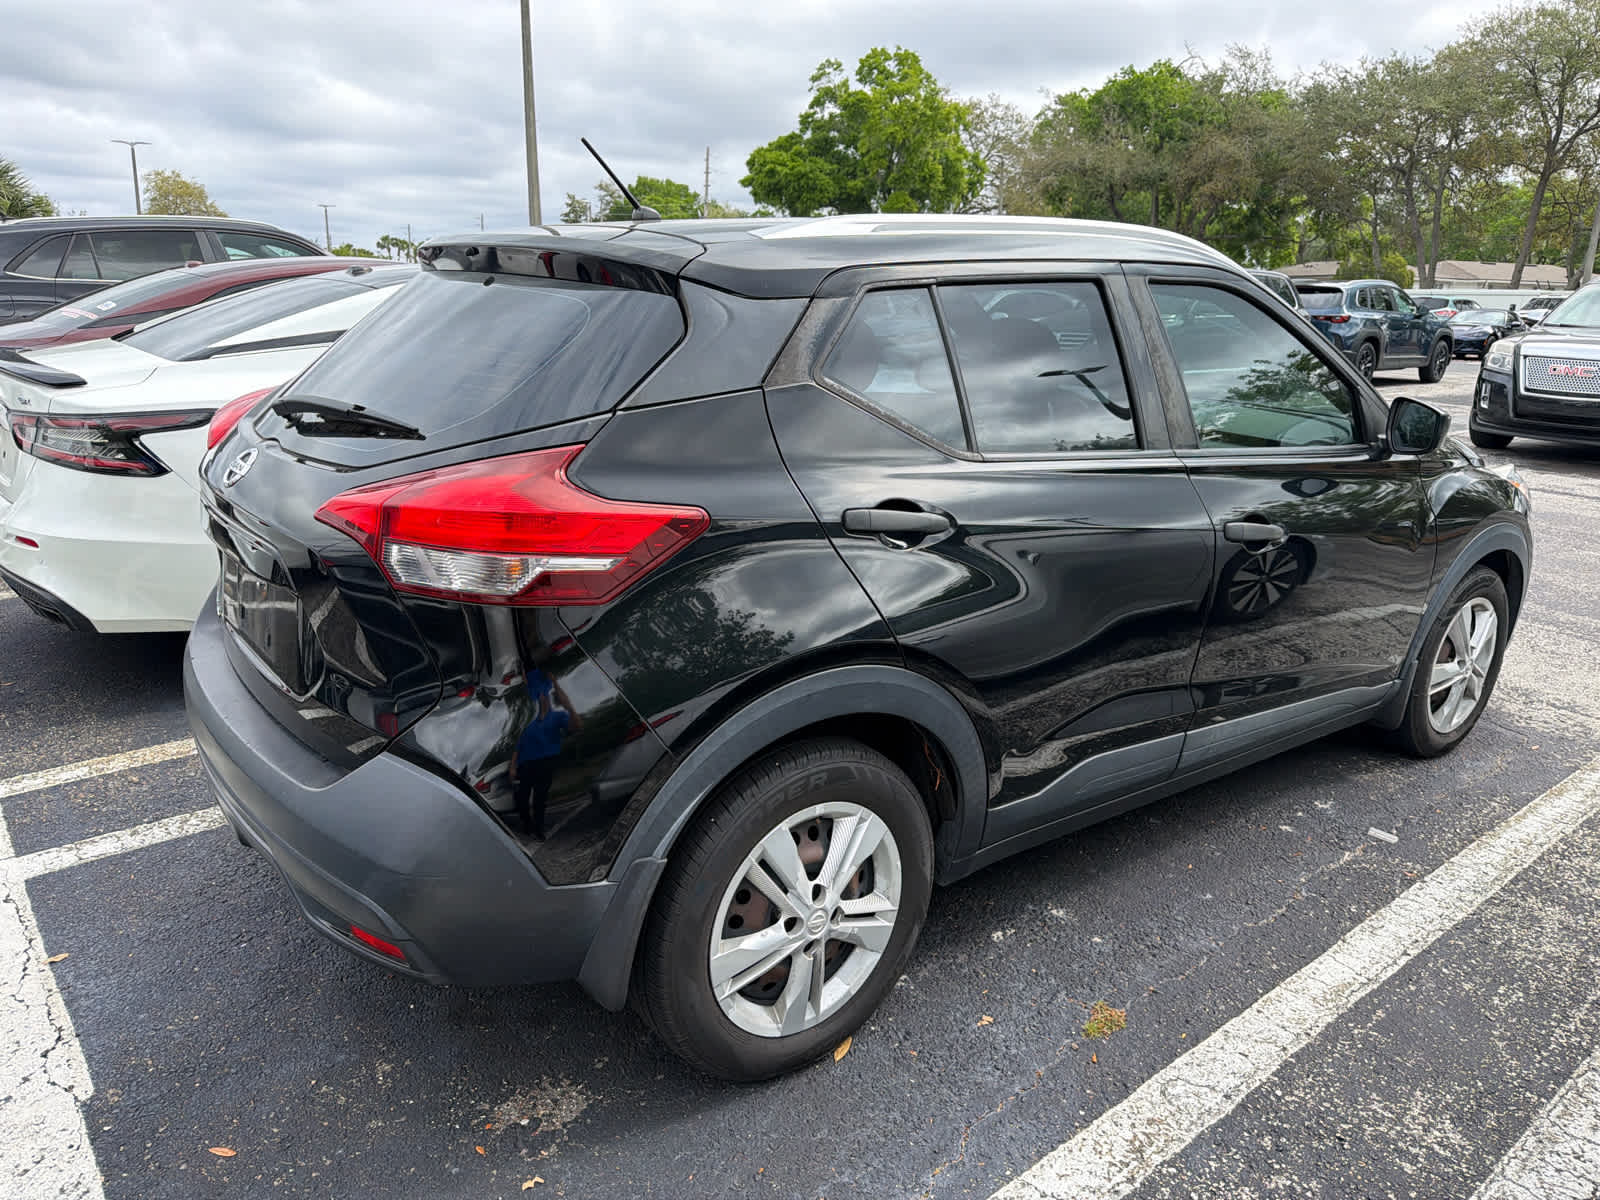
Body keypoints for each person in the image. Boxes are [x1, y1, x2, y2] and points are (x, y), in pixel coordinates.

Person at [508, 670, 581, 840]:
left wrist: (568, 705)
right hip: (525, 765)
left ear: (547, 696)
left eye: (543, 694)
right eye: (537, 694)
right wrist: (513, 766)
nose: (540, 698)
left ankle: (539, 829)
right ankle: (527, 824)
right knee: (521, 798)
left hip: (546, 762)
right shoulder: (529, 722)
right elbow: (518, 746)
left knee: (540, 798)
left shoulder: (558, 717)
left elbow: (576, 726)